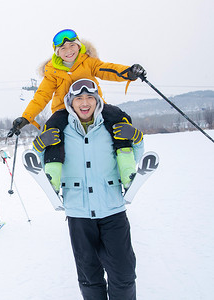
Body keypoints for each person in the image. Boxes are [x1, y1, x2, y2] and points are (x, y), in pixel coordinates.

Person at [37, 79, 144, 299]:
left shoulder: (110, 125)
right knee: (89, 275)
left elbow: (135, 157)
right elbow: (42, 164)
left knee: (123, 273)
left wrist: (137, 138)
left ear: (97, 101)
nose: (85, 103)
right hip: (78, 214)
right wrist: (39, 145)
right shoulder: (61, 128)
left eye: (90, 98)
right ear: (70, 102)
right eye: (79, 98)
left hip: (112, 210)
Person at [8, 28, 146, 188]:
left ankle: (127, 169)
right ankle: (53, 175)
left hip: (94, 106)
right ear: (57, 53)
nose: (69, 51)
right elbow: (42, 96)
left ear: (79, 46)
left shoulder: (88, 62)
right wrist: (26, 117)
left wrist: (128, 72)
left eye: (72, 46)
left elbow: (108, 70)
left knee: (119, 118)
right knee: (52, 130)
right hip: (63, 110)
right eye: (63, 48)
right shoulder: (52, 71)